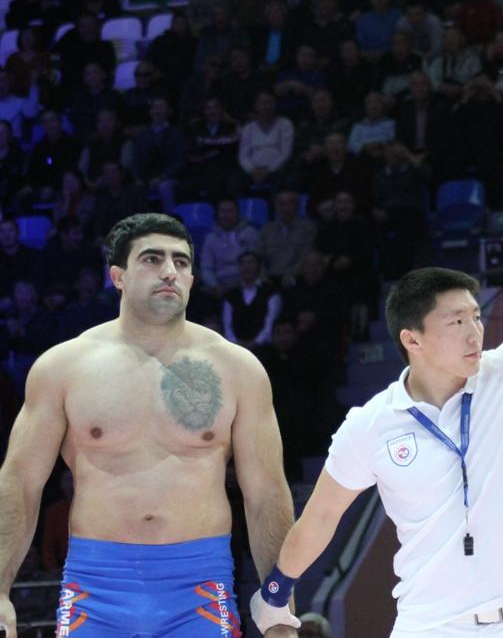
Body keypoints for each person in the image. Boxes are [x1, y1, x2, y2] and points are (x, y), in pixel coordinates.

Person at [248, 121, 503, 635]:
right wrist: (276, 592)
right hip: (431, 625)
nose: (474, 332)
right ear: (411, 340)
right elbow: (321, 517)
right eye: (456, 322)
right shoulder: (372, 423)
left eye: (476, 317)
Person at [0, 213, 298, 637]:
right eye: (152, 259)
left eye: (181, 262)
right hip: (96, 586)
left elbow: (267, 494)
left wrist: (280, 605)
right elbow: (20, 483)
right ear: (117, 276)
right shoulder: (63, 367)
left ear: (192, 279)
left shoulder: (238, 370)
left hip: (199, 585)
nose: (169, 271)